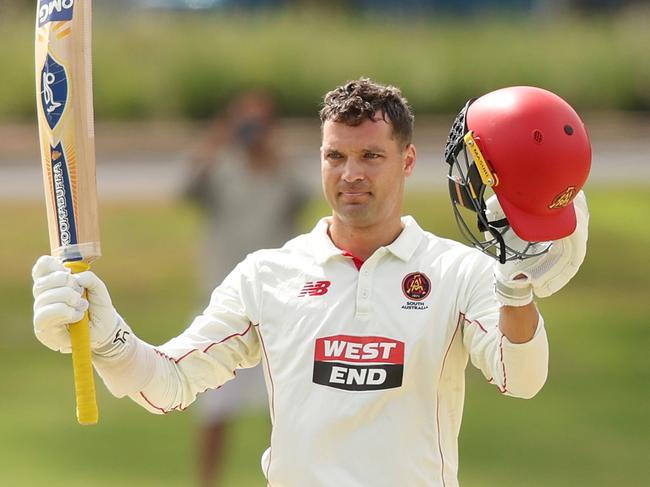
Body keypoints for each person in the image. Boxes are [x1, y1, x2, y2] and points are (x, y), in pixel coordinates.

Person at [32, 78, 591, 486]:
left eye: (371, 156)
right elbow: (168, 384)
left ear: (407, 161)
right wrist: (107, 338)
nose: (351, 174)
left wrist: (516, 289)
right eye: (335, 156)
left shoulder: (458, 273)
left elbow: (521, 379)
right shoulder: (267, 276)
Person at [182, 91, 307, 487]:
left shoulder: (283, 171)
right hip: (223, 305)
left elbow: (303, 200)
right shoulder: (220, 168)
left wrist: (273, 156)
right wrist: (216, 141)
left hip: (278, 307)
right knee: (215, 411)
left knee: (295, 409)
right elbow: (186, 192)